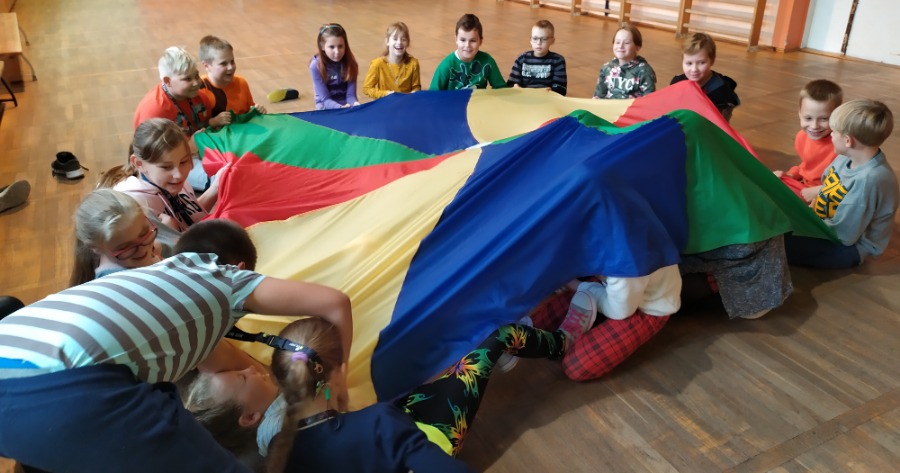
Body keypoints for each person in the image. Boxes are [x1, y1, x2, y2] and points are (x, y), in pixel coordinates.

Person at [0, 219, 352, 473]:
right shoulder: (225, 280)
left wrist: (266, 377)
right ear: (242, 268)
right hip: (65, 387)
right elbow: (334, 303)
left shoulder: (164, 283)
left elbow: (224, 360)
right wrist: (339, 382)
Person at [185, 292, 598, 471]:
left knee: (446, 373)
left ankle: (488, 362)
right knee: (498, 337)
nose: (249, 369)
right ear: (249, 416)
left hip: (386, 430)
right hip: (423, 437)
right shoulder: (374, 424)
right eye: (241, 377)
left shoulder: (276, 444)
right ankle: (563, 342)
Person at [785, 100, 898, 269]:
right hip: (827, 223)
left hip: (849, 247)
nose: (830, 136)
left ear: (847, 141)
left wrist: (804, 223)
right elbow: (830, 185)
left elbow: (845, 235)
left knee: (777, 243)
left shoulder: (868, 181)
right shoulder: (848, 156)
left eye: (834, 132)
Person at [529, 266, 681, 382]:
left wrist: (574, 285)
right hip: (613, 285)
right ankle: (591, 322)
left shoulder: (627, 262)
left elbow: (620, 311)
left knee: (576, 366)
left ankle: (587, 325)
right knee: (533, 329)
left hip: (648, 307)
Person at [99, 118, 227, 233]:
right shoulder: (135, 208)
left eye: (183, 162)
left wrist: (215, 188)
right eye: (166, 167)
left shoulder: (169, 181)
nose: (179, 174)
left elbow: (190, 215)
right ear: (139, 164)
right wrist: (169, 235)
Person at [134, 46, 231, 192]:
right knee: (224, 178)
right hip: (173, 163)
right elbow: (152, 157)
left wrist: (212, 123)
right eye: (187, 79)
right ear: (168, 81)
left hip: (199, 150)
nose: (196, 82)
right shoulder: (153, 109)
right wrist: (188, 147)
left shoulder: (199, 96)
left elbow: (203, 125)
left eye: (196, 75)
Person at [69, 188, 165, 286]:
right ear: (95, 248)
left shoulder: (149, 251)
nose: (142, 250)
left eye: (144, 233)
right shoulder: (114, 284)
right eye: (125, 247)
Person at [773, 80, 843, 200]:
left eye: (824, 119)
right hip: (805, 188)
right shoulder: (802, 137)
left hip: (830, 195)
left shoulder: (842, 145)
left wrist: (819, 191)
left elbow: (848, 182)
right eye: (808, 118)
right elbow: (806, 165)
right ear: (800, 113)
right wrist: (790, 174)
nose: (814, 126)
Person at [670, 32, 740, 121]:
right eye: (689, 63)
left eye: (701, 63)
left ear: (712, 61)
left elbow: (721, 124)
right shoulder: (677, 83)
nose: (694, 69)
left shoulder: (720, 90)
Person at [430, 13, 507, 91]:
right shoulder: (446, 65)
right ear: (456, 39)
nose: (467, 45)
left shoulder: (487, 61)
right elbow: (432, 94)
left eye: (473, 41)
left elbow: (501, 89)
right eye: (463, 40)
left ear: (480, 41)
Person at [199, 35, 268, 117]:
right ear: (206, 66)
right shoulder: (200, 89)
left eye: (232, 61)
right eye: (223, 63)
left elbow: (249, 112)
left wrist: (257, 111)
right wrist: (214, 121)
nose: (230, 67)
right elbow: (197, 122)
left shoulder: (241, 83)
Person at [592, 22, 656, 99]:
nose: (620, 46)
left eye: (626, 43)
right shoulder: (607, 68)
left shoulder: (644, 71)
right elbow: (599, 95)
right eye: (617, 42)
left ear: (637, 46)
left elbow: (649, 100)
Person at [506, 19, 567, 96]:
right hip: (525, 97)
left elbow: (561, 88)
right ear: (530, 40)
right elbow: (511, 83)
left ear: (552, 41)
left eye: (544, 39)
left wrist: (552, 91)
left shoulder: (557, 61)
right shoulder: (522, 59)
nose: (538, 43)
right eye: (535, 38)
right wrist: (515, 86)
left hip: (546, 98)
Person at [362, 22, 421, 99]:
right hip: (385, 103)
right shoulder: (377, 64)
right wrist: (385, 94)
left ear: (408, 43)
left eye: (403, 39)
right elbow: (367, 88)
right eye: (395, 39)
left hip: (405, 103)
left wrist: (414, 93)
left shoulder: (413, 63)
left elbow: (416, 86)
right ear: (387, 41)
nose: (399, 42)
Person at [310, 23, 359, 110]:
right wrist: (340, 107)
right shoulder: (315, 66)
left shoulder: (351, 63)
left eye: (340, 46)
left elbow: (351, 96)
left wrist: (355, 104)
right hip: (325, 107)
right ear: (322, 46)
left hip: (346, 105)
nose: (337, 52)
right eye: (331, 47)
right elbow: (325, 99)